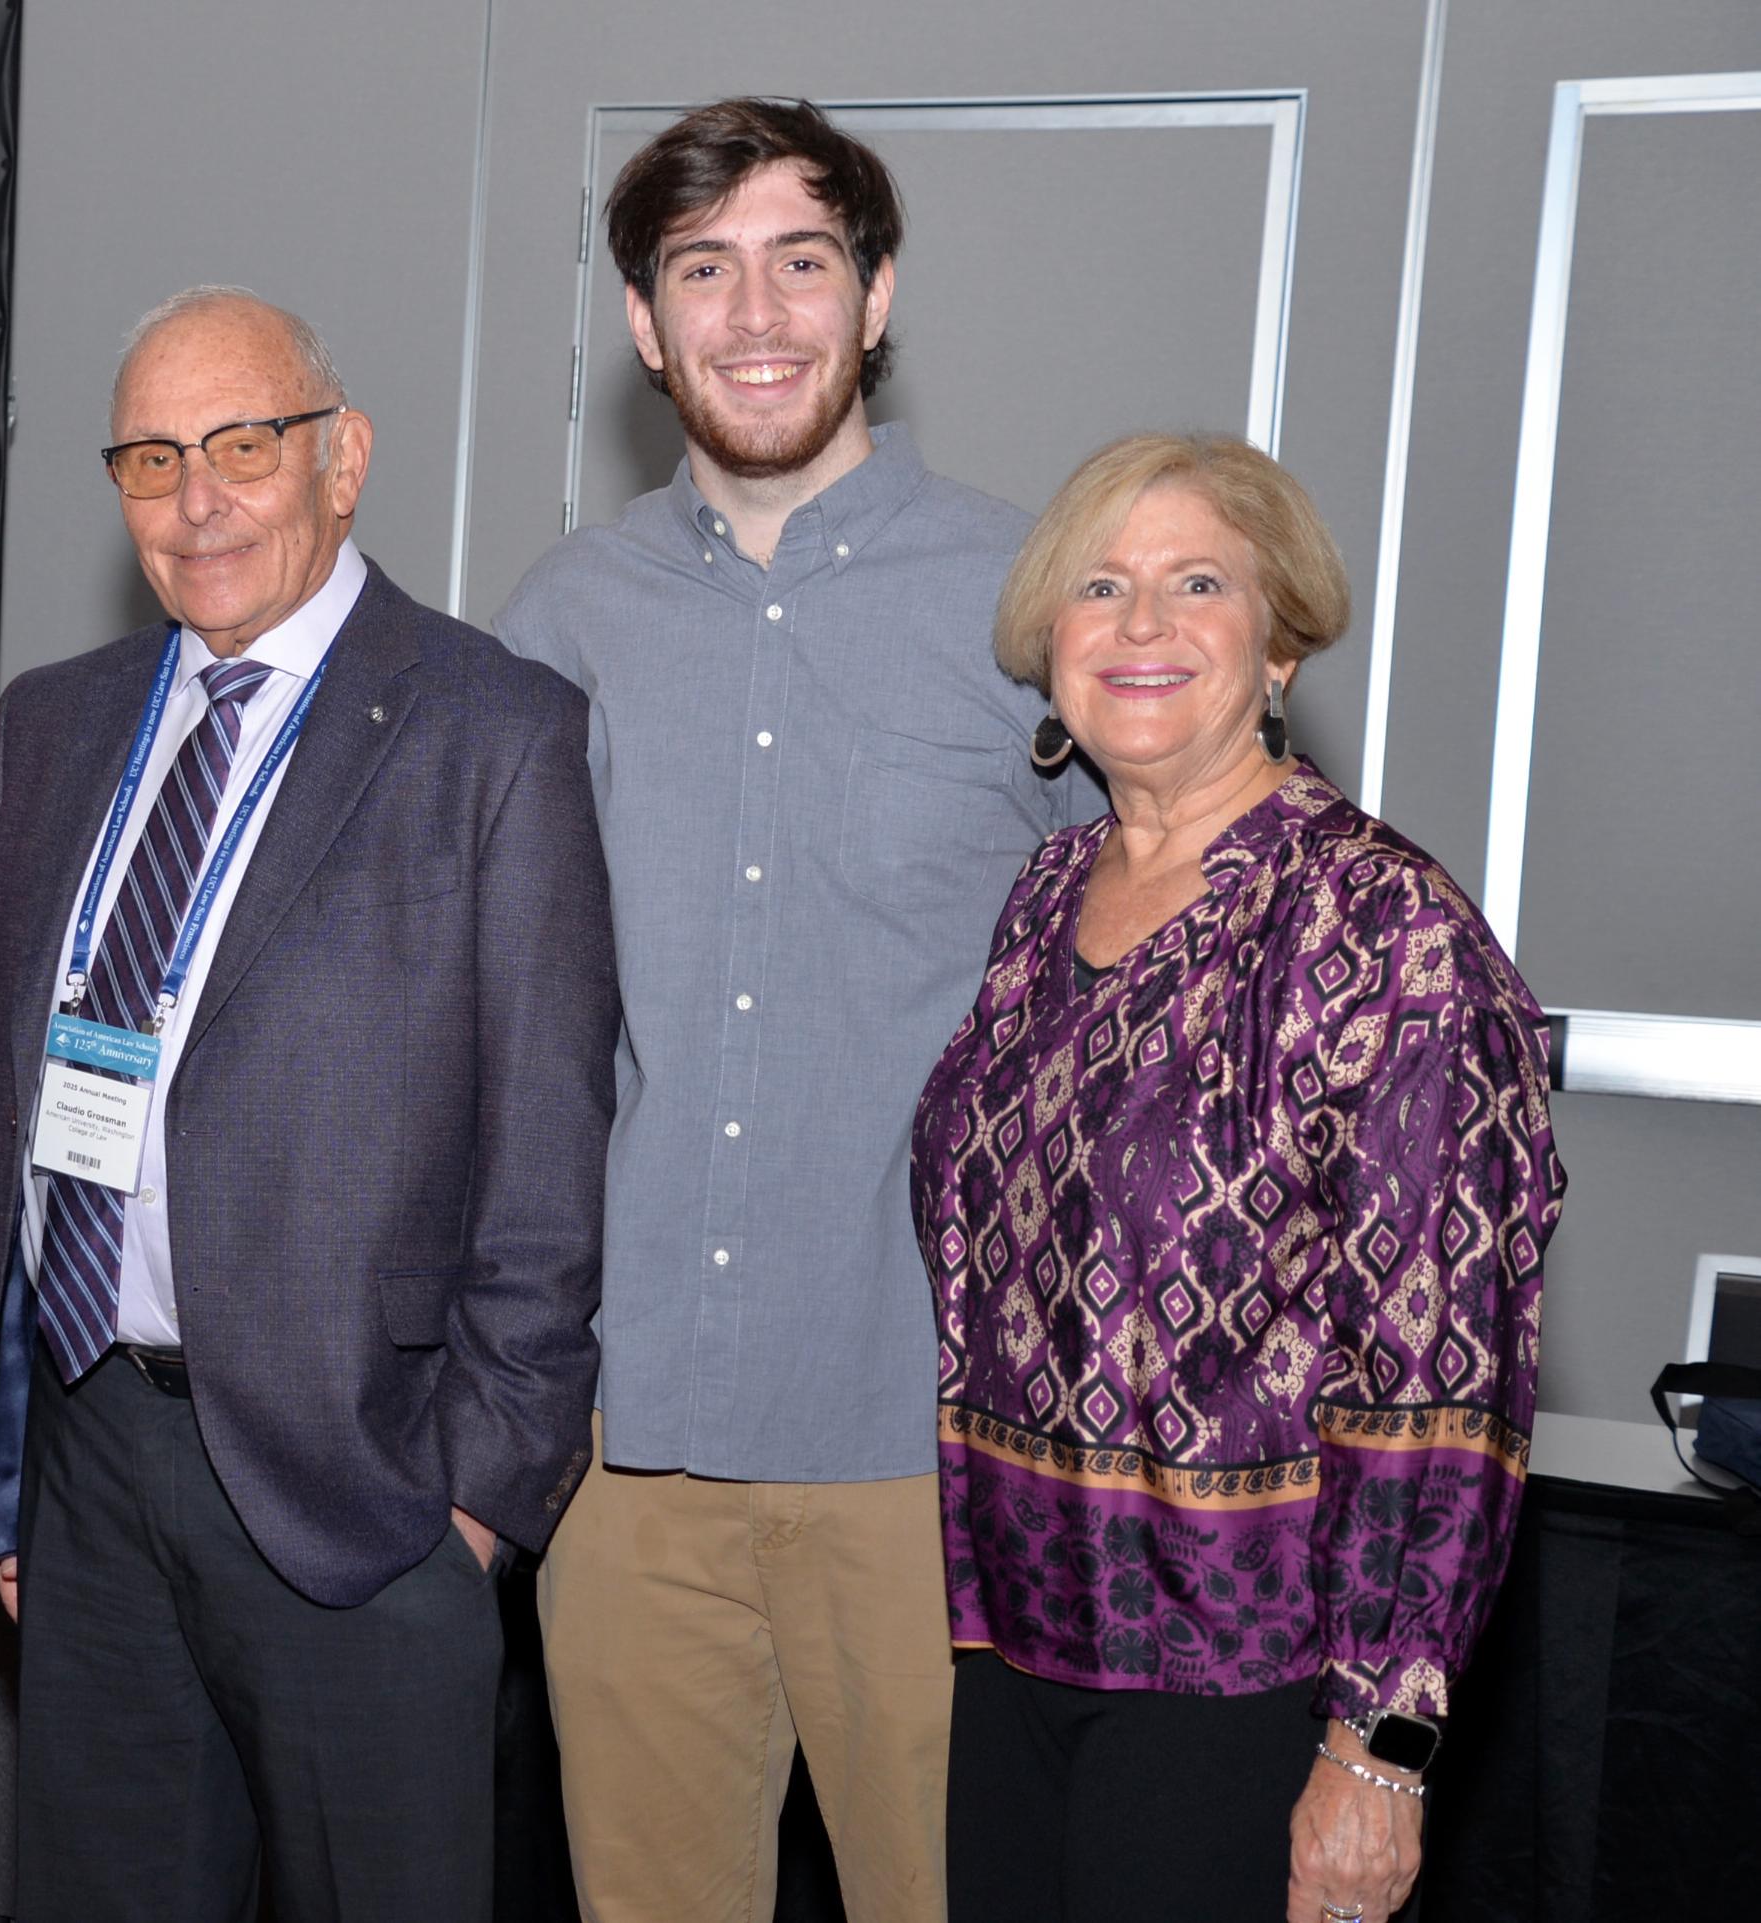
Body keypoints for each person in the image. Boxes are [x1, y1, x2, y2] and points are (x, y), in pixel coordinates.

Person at [0, 286, 617, 1922]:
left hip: (357, 1487)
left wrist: (474, 1506)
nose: (197, 499)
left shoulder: (492, 730)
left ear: (342, 457)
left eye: (243, 444)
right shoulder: (54, 723)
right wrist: (13, 1458)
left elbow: (547, 1160)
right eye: (151, 459)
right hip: (90, 1466)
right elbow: (21, 1103)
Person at [497, 97, 1100, 1923]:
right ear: (640, 321)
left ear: (876, 292)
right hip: (630, 1453)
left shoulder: (1037, 607)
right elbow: (507, 1029)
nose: (754, 314)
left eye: (800, 260)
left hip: (926, 1455)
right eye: (703, 269)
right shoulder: (559, 620)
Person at [913, 432, 1566, 1923]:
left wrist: (1379, 1749)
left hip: (1243, 1687)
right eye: (1098, 587)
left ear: (1277, 643)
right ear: (1049, 645)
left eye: (1193, 583)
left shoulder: (1382, 933)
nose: (1138, 627)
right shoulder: (1042, 900)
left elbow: (1442, 1386)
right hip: (1007, 1649)